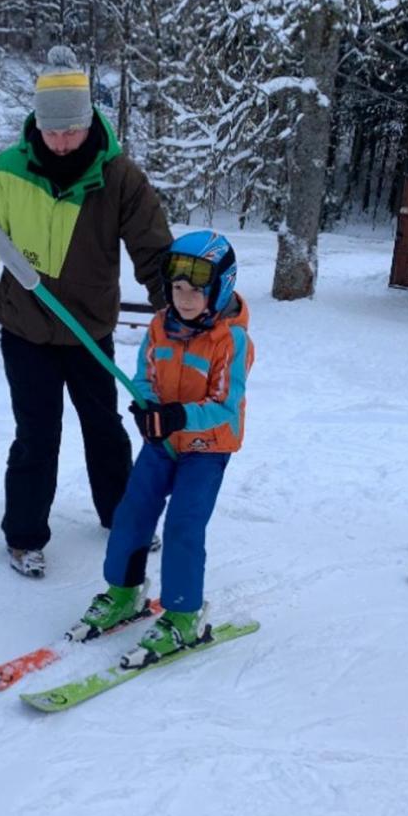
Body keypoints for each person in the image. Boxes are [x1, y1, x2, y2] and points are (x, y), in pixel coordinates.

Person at [0, 45, 173, 578]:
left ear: (88, 120)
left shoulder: (118, 176)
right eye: (51, 132)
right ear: (37, 123)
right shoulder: (6, 171)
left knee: (104, 428)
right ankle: (24, 537)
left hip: (89, 327)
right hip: (26, 329)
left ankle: (123, 516)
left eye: (70, 131)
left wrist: (174, 307)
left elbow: (152, 248)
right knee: (37, 434)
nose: (60, 142)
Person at [73, 229, 253, 666]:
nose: (185, 298)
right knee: (131, 512)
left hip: (206, 449)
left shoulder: (231, 341)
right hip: (162, 443)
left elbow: (224, 407)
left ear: (220, 286)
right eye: (177, 287)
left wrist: (177, 416)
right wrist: (145, 406)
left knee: (183, 527)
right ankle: (124, 591)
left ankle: (183, 613)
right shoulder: (160, 326)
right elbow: (143, 376)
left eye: (196, 289)